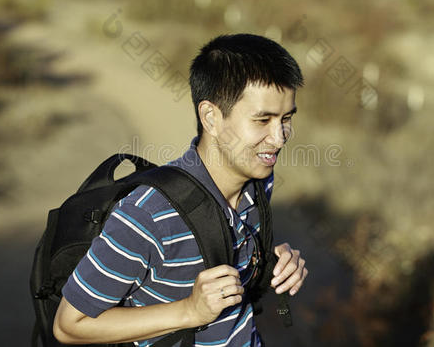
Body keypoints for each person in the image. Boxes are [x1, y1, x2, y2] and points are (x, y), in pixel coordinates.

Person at [53, 33, 309, 346]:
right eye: (262, 120)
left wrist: (272, 263)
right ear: (211, 117)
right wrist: (189, 311)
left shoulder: (258, 184)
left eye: (285, 119)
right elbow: (69, 325)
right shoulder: (148, 214)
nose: (279, 138)